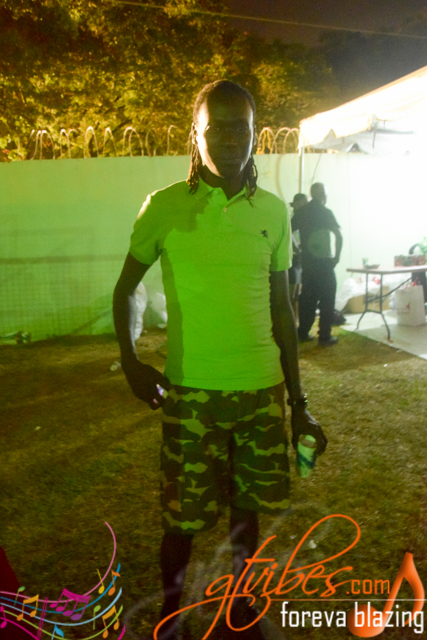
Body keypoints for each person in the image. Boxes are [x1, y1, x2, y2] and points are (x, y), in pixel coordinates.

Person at [113, 80, 327, 640]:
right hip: (192, 396)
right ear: (196, 134)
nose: (231, 139)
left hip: (260, 393)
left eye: (242, 128)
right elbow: (126, 289)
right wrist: (131, 362)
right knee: (181, 523)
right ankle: (171, 618)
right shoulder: (164, 208)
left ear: (255, 135)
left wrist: (299, 402)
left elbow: (282, 310)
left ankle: (241, 611)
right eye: (218, 128)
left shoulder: (273, 211)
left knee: (246, 515)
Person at [291, 182, 343, 346]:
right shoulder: (326, 212)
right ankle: (324, 336)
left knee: (308, 299)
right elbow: (339, 236)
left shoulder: (301, 212)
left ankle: (303, 332)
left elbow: (287, 232)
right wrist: (336, 258)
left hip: (308, 263)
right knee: (327, 299)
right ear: (322, 195)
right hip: (325, 263)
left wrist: (296, 248)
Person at [288, 193, 308, 321]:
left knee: (296, 296)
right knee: (290, 296)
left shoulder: (302, 218)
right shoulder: (293, 218)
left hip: (299, 260)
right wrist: (297, 248)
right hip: (293, 260)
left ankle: (294, 323)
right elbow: (288, 233)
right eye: (303, 203)